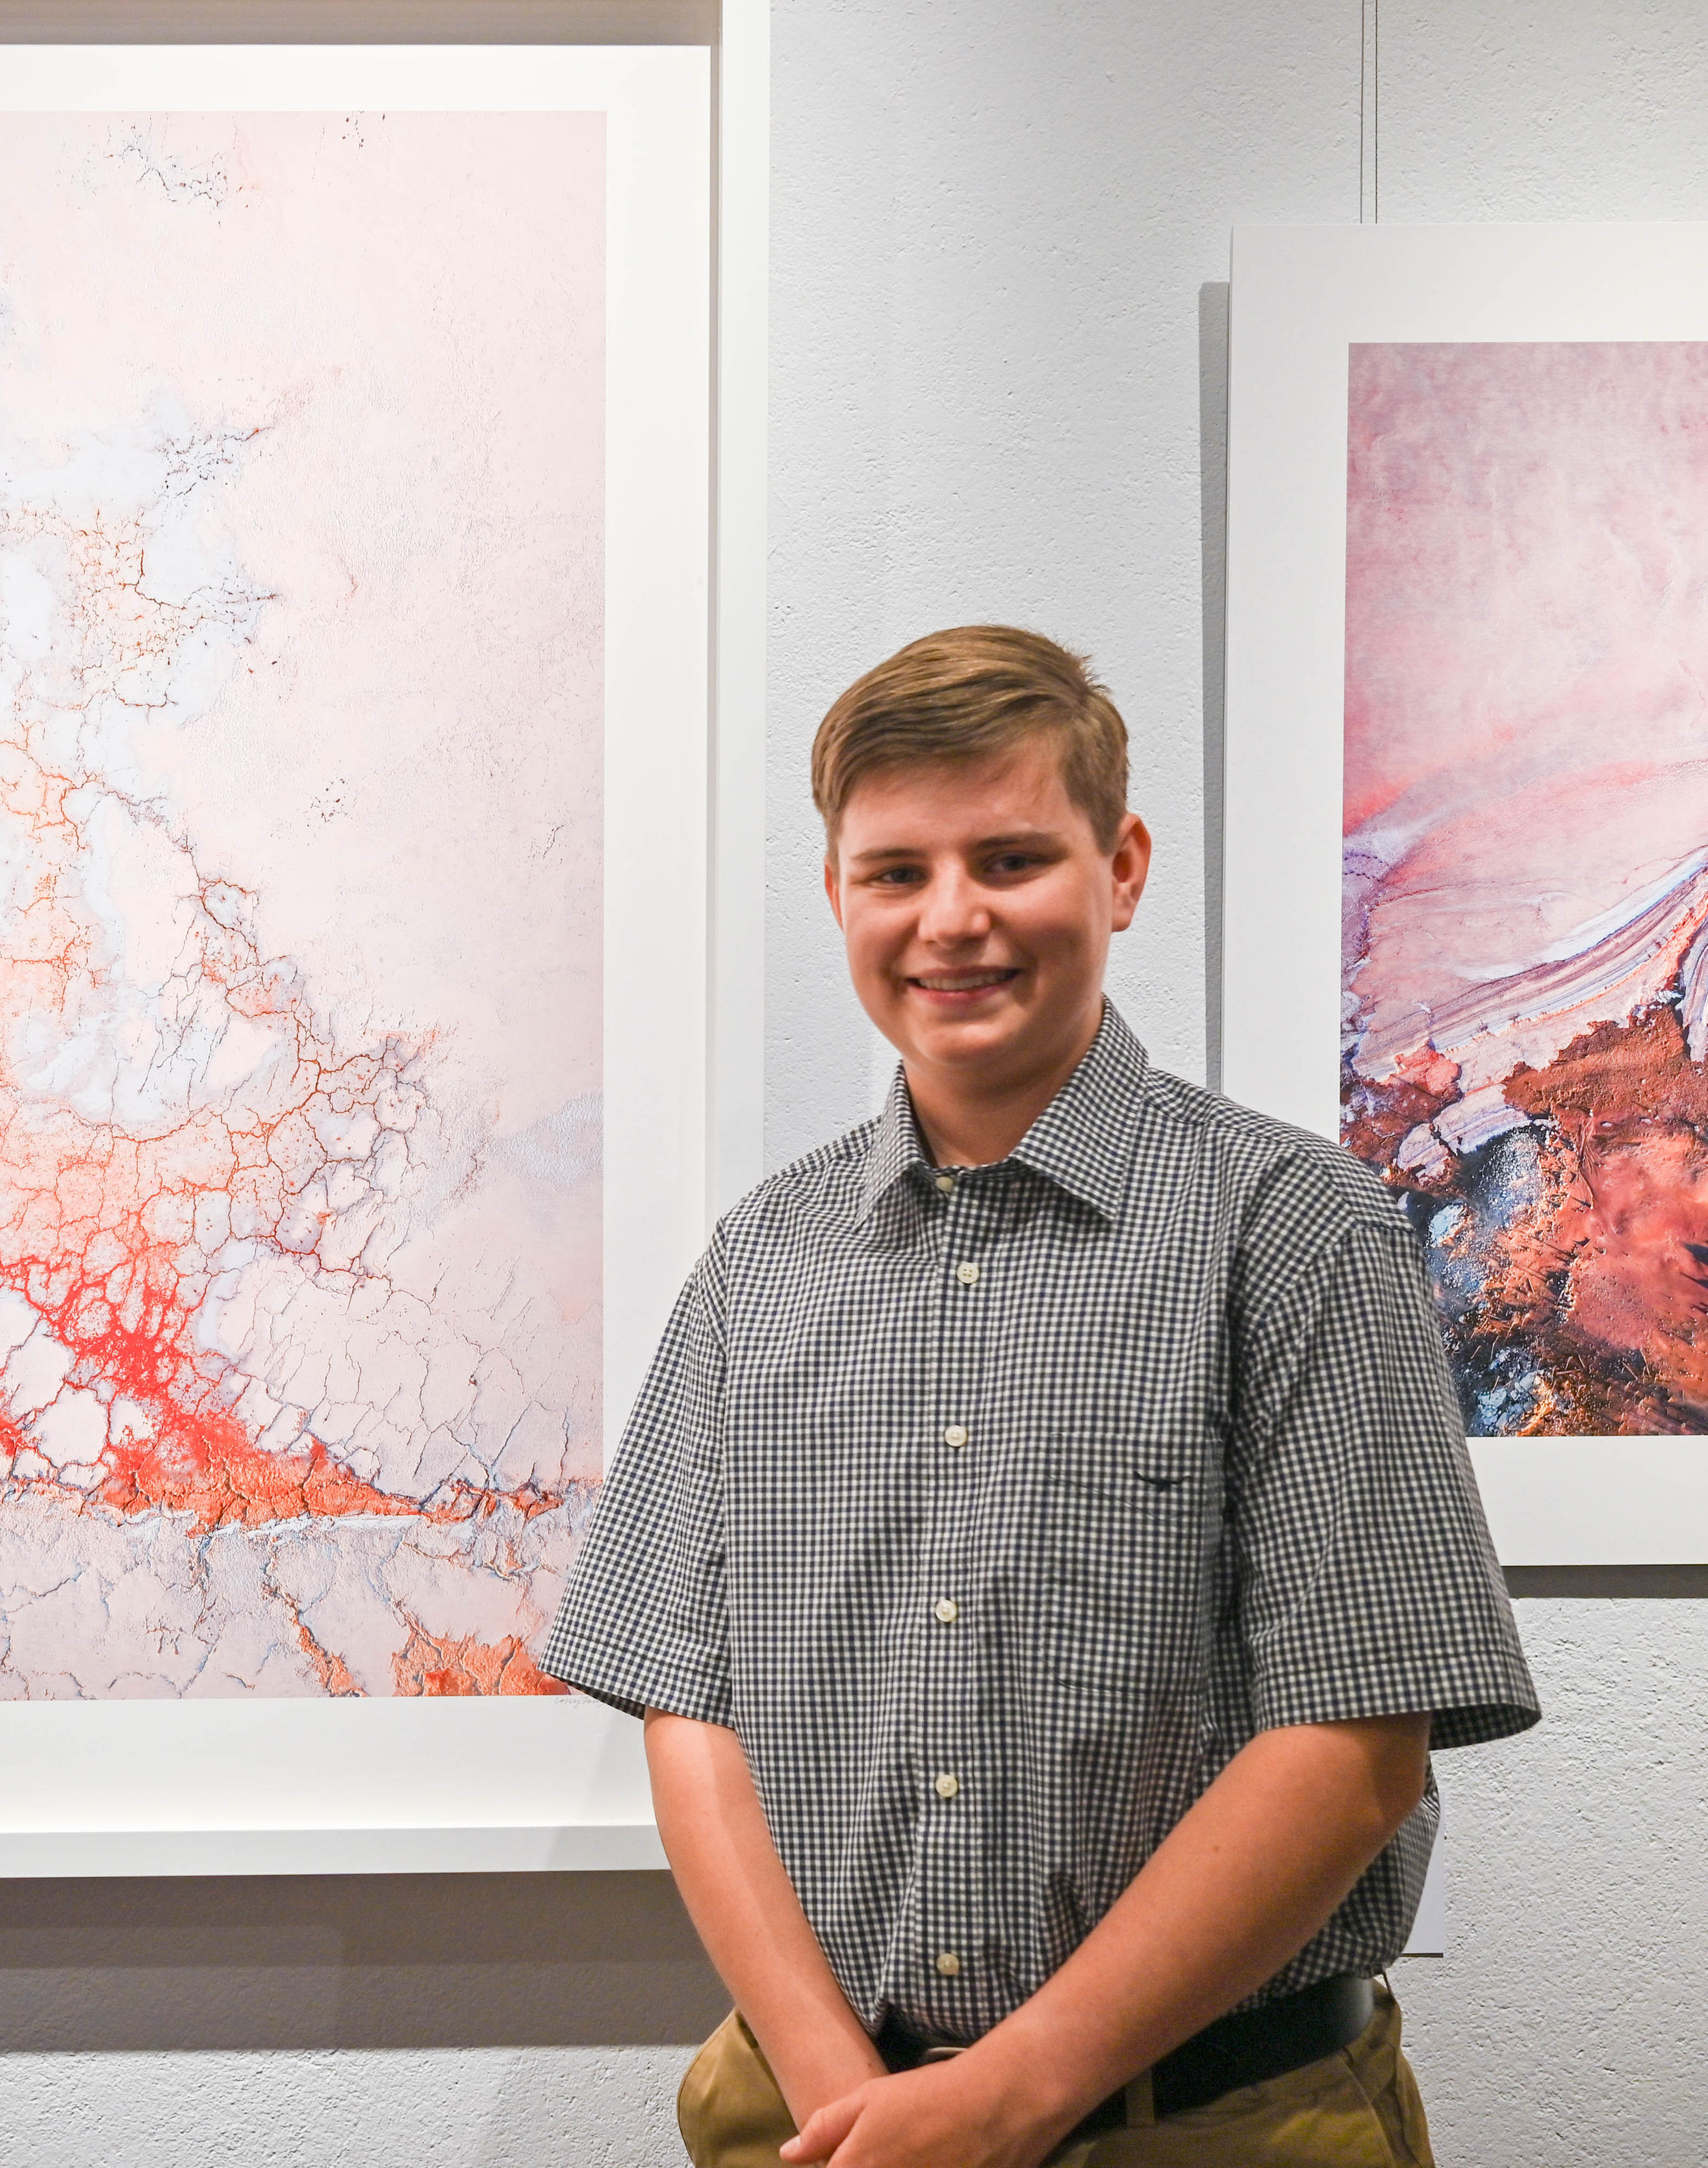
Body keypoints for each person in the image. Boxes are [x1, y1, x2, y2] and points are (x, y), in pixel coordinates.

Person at [544, 625, 1538, 2167]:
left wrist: (1009, 2096)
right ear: (834, 894)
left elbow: (1354, 1741)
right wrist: (836, 2090)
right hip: (821, 2118)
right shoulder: (761, 1262)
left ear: (1120, 866)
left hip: (1221, 2122)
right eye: (894, 871)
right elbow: (690, 1697)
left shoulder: (1292, 1229)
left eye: (1009, 858)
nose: (952, 920)